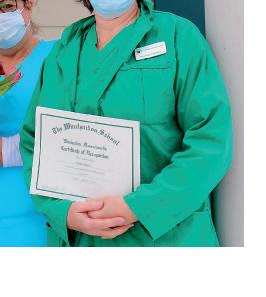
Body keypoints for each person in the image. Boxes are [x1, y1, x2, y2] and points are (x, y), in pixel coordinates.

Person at [21, 0, 233, 247]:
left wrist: (140, 207)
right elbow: (34, 141)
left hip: (165, 238)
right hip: (84, 240)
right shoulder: (64, 50)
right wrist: (62, 212)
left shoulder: (178, 37)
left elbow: (210, 140)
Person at [0, 0, 54, 246]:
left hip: (41, 226)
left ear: (28, 5)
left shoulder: (60, 58)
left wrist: (8, 150)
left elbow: (80, 137)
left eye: (6, 6)